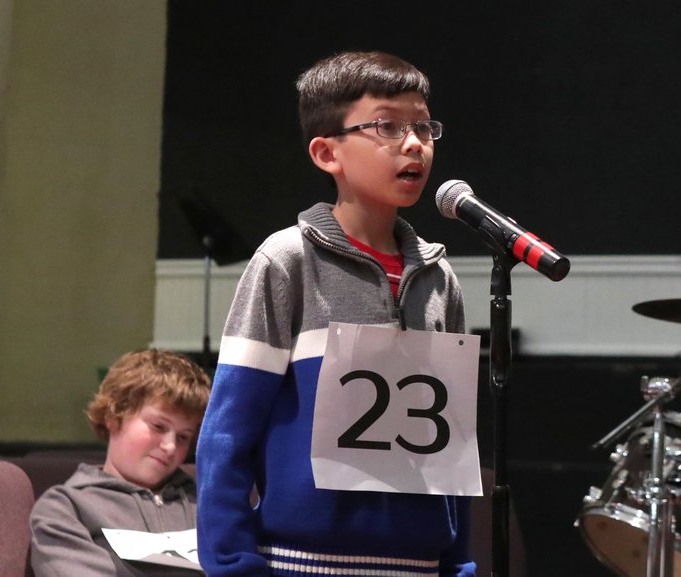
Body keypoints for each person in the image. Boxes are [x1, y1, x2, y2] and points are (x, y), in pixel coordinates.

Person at [196, 51, 475, 577]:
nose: (414, 143)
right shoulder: (288, 261)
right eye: (388, 126)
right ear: (327, 153)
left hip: (416, 565)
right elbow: (227, 434)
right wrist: (234, 564)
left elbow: (451, 444)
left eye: (423, 127)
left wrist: (456, 565)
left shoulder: (440, 280)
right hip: (303, 564)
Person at [29, 349, 212, 577]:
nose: (171, 446)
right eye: (158, 426)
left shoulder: (207, 505)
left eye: (183, 437)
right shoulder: (66, 508)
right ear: (114, 417)